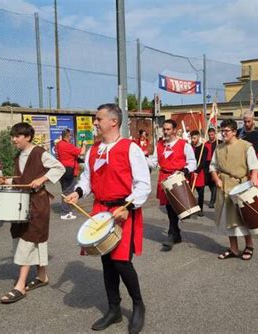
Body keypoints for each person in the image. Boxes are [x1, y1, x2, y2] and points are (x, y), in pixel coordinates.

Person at [64, 103, 151, 332]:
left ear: (113, 121)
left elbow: (143, 184)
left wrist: (127, 206)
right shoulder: (93, 150)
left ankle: (139, 305)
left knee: (122, 262)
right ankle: (114, 310)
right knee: (106, 261)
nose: (95, 122)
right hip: (100, 210)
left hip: (124, 210)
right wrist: (77, 192)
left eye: (98, 118)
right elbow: (87, 179)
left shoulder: (130, 148)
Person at [0, 122, 65, 304]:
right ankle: (42, 276)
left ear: (27, 137)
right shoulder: (19, 156)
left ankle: (20, 285)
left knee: (29, 238)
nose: (14, 140)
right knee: (29, 237)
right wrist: (7, 181)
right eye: (13, 136)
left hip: (38, 203)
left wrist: (42, 178)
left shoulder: (39, 153)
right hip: (23, 203)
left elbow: (59, 167)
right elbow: (23, 179)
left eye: (17, 136)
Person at [210, 119, 258, 260]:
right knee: (228, 219)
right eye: (222, 130)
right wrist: (217, 179)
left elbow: (254, 165)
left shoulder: (246, 146)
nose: (223, 133)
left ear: (234, 132)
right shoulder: (218, 148)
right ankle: (233, 248)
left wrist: (254, 177)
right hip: (224, 186)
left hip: (241, 186)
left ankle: (249, 245)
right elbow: (213, 167)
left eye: (226, 131)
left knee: (243, 218)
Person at [148, 119, 196, 252]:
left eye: (168, 129)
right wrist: (142, 158)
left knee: (176, 207)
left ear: (175, 130)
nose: (165, 132)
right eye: (164, 129)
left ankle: (172, 233)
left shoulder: (184, 145)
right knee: (169, 206)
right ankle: (174, 233)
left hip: (178, 177)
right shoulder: (160, 145)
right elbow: (153, 162)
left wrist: (185, 170)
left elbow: (192, 162)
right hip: (164, 177)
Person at [55, 128, 86, 220]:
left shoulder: (59, 144)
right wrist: (84, 144)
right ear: (67, 136)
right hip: (69, 171)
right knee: (68, 191)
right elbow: (82, 152)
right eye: (71, 136)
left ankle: (66, 210)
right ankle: (66, 212)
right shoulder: (67, 145)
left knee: (65, 190)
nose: (72, 138)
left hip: (63, 170)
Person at [238, 112, 258, 195]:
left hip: (257, 164)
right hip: (243, 164)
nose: (247, 124)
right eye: (245, 122)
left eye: (249, 121)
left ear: (253, 120)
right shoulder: (239, 133)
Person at [190, 130, 208, 217]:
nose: (193, 140)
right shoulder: (189, 147)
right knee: (189, 192)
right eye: (192, 138)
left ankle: (200, 209)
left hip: (199, 173)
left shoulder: (204, 148)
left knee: (200, 193)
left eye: (194, 138)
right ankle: (189, 208)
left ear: (198, 137)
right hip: (190, 172)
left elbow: (203, 162)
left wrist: (197, 171)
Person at [205, 127, 220, 208]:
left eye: (212, 135)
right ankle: (214, 196)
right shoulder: (206, 144)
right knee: (209, 182)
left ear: (215, 134)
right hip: (207, 164)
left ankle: (212, 201)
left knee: (214, 182)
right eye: (209, 135)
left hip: (215, 164)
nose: (211, 136)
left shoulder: (219, 143)